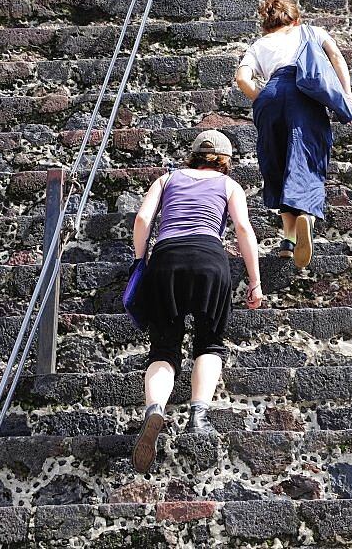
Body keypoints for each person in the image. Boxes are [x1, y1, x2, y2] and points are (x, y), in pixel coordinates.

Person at [130, 130, 263, 473]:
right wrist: (255, 281)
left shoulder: (167, 178)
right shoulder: (229, 186)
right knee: (210, 342)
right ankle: (198, 415)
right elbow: (244, 229)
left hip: (166, 259)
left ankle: (155, 409)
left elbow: (143, 219)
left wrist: (141, 261)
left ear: (193, 155)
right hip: (209, 258)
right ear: (226, 160)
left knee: (163, 349)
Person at [235, 0, 352, 269]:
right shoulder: (311, 31)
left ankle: (288, 239)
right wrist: (346, 95)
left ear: (266, 24)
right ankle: (308, 216)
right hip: (304, 93)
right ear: (296, 19)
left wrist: (263, 97)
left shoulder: (259, 44)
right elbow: (335, 57)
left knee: (276, 161)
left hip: (270, 96)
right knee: (307, 155)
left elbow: (242, 78)